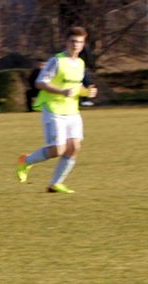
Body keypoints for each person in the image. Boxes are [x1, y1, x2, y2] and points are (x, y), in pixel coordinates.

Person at [16, 26, 97, 194]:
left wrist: (88, 91)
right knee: (57, 150)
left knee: (74, 147)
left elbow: (77, 86)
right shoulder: (56, 61)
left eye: (80, 42)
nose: (76, 45)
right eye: (73, 41)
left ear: (83, 44)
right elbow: (40, 82)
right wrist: (62, 91)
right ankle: (25, 161)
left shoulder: (81, 63)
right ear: (66, 42)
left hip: (72, 112)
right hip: (54, 110)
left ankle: (55, 184)